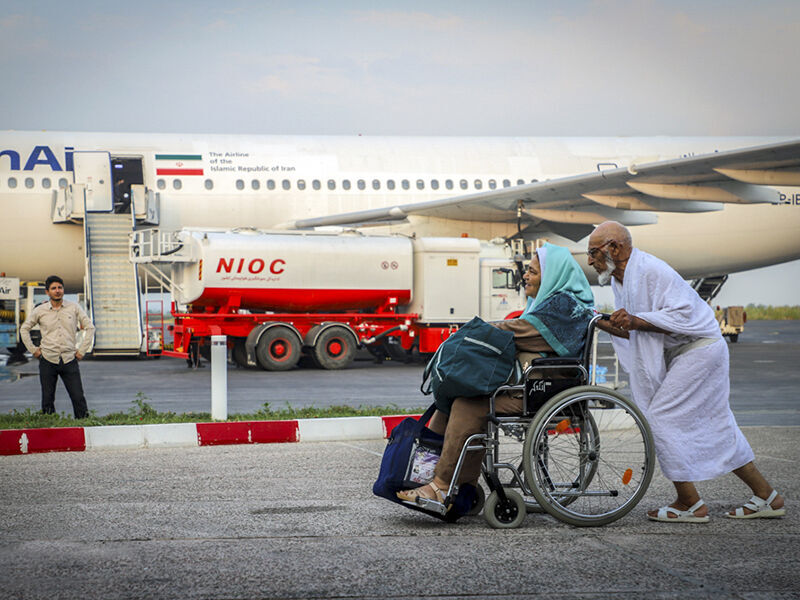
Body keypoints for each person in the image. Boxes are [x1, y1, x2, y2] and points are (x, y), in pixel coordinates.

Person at [587, 221, 785, 522]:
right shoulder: (620, 280)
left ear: (614, 247)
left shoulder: (651, 270)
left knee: (659, 417)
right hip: (690, 353)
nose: (590, 260)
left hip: (700, 350)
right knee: (718, 426)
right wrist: (595, 320)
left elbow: (682, 316)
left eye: (593, 252)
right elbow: (634, 329)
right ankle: (768, 498)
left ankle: (689, 503)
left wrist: (636, 320)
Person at [397, 243, 595, 505]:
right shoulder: (549, 303)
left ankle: (442, 485)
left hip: (541, 392)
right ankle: (448, 483)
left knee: (468, 405)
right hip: (524, 385)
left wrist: (478, 331)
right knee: (446, 403)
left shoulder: (565, 307)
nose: (525, 275)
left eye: (533, 272)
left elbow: (518, 333)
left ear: (552, 275)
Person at [20, 275, 95, 419]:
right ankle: (50, 430)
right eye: (53, 288)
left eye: (60, 288)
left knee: (78, 398)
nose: (57, 291)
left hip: (69, 360)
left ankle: (83, 426)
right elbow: (24, 329)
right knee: (47, 401)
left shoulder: (74, 308)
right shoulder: (40, 310)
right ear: (47, 292)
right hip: (48, 360)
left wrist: (82, 351)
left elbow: (90, 328)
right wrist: (34, 350)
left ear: (63, 290)